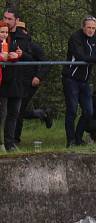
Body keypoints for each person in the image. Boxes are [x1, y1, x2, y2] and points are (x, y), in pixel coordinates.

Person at [62, 15, 96, 147]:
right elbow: (81, 57)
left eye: (93, 28)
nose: (91, 30)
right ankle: (71, 140)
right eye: (89, 27)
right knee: (72, 110)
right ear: (83, 27)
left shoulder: (95, 40)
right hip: (71, 79)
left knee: (89, 111)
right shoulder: (75, 38)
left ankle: (78, 138)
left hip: (84, 80)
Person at [11, 21, 50, 145]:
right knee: (15, 109)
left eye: (21, 31)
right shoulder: (9, 44)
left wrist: (38, 77)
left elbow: (45, 63)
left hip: (29, 83)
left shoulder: (33, 47)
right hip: (13, 81)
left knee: (18, 109)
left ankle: (14, 140)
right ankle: (40, 114)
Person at [0, 8, 32, 151]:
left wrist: (21, 54)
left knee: (14, 114)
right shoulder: (1, 34)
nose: (6, 21)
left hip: (18, 81)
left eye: (9, 19)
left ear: (17, 21)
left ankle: (10, 144)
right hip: (2, 80)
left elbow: (31, 57)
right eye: (4, 18)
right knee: (2, 114)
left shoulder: (24, 37)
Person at [0, 20, 20, 151]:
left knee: (9, 114)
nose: (4, 34)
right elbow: (3, 58)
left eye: (6, 32)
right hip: (2, 83)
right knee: (2, 114)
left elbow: (12, 56)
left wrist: (17, 55)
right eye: (2, 32)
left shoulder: (9, 43)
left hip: (8, 82)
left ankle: (8, 143)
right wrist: (5, 58)